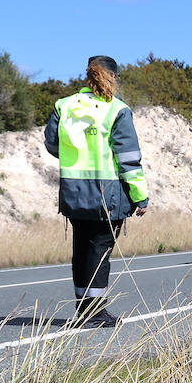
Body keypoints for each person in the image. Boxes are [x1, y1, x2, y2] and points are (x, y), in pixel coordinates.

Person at [43, 55, 149, 327]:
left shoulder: (64, 106)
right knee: (99, 252)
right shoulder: (117, 110)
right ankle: (95, 314)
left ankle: (84, 310)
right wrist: (140, 196)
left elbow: (53, 145)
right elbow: (128, 160)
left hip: (74, 191)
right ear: (113, 76)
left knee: (81, 250)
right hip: (107, 194)